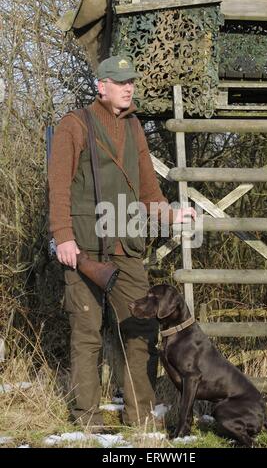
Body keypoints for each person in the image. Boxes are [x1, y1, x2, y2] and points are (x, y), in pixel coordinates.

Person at [48, 55, 195, 429]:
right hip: (83, 247)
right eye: (119, 81)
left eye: (131, 81)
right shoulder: (74, 124)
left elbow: (147, 189)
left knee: (141, 330)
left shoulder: (134, 129)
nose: (128, 87)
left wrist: (171, 214)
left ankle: (140, 416)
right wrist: (62, 236)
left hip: (127, 246)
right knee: (86, 333)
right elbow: (59, 185)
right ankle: (86, 419)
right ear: (102, 86)